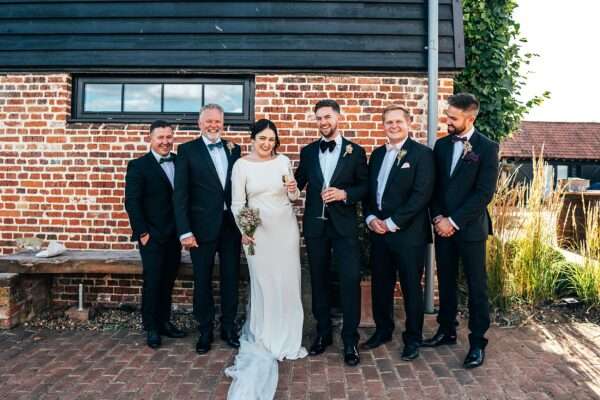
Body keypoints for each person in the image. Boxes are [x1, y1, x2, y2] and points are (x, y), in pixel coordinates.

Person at [225, 119, 307, 399]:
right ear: (253, 138)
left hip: (285, 228)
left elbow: (293, 196)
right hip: (256, 231)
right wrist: (245, 230)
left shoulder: (283, 160)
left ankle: (289, 337)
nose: (267, 143)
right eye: (262, 138)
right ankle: (265, 335)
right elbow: (238, 203)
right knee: (263, 283)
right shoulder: (241, 165)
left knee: (287, 282)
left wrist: (294, 188)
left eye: (271, 139)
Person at [424, 93, 499, 369]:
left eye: (453, 117)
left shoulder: (487, 148)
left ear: (471, 117)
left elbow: (483, 194)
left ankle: (477, 342)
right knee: (445, 281)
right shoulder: (441, 146)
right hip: (442, 227)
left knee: (477, 286)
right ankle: (447, 330)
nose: (448, 121)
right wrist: (438, 218)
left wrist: (453, 221)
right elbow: (434, 187)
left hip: (470, 230)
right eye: (448, 115)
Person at [295, 99, 368, 367]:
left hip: (345, 227)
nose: (323, 122)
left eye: (327, 117)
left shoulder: (356, 152)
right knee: (319, 279)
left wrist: (346, 193)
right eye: (318, 118)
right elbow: (297, 183)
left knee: (349, 280)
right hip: (315, 226)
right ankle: (323, 333)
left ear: (338, 118)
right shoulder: (308, 151)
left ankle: (350, 339)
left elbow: (365, 187)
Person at [361, 105, 435, 361]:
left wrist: (392, 222)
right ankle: (383, 330)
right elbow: (371, 193)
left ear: (408, 123)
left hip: (408, 235)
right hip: (379, 233)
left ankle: (412, 338)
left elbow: (421, 195)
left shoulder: (422, 154)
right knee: (381, 284)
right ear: (383, 126)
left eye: (398, 122)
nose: (393, 126)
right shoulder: (377, 154)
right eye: (388, 122)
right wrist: (370, 218)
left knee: (411, 287)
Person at [173, 104, 242, 354]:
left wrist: (246, 224)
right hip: (200, 228)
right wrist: (184, 231)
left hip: (231, 227)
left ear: (223, 123)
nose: (213, 126)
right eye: (208, 121)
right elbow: (180, 195)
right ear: (199, 124)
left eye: (217, 122)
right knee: (202, 280)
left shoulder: (235, 149)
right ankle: (204, 331)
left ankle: (228, 328)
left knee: (231, 278)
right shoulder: (187, 150)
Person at [124, 120, 186, 349]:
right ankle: (151, 327)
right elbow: (132, 201)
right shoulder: (138, 166)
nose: (165, 141)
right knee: (152, 282)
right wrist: (142, 233)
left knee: (168, 281)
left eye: (169, 137)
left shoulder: (180, 162)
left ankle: (164, 322)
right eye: (160, 137)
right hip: (151, 236)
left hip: (174, 235)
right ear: (150, 138)